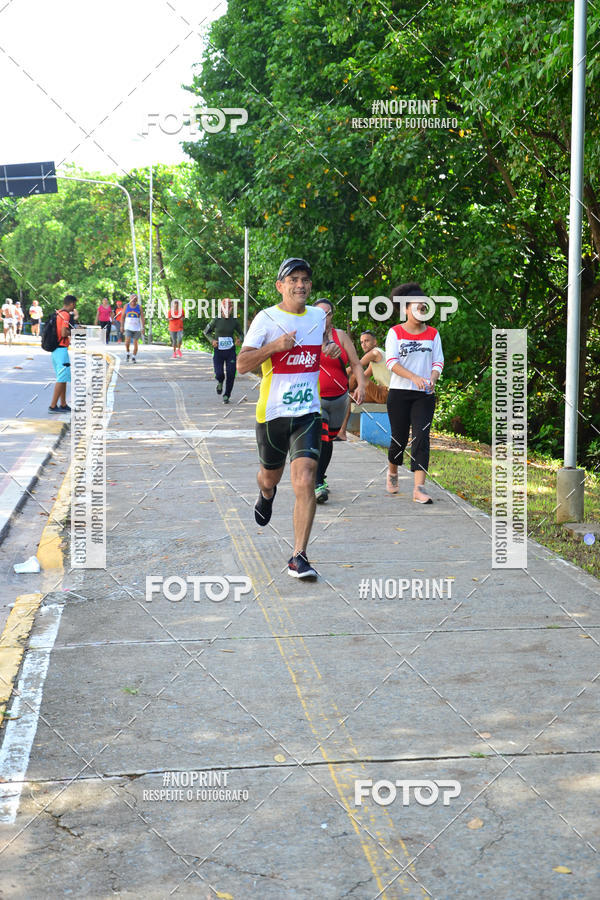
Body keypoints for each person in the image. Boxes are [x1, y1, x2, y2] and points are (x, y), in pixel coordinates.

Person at [237, 257, 339, 579]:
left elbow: (324, 342)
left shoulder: (317, 316)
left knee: (306, 478)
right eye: (293, 280)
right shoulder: (266, 319)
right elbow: (242, 364)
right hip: (273, 414)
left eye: (305, 279)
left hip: (308, 412)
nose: (300, 285)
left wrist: (330, 349)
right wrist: (275, 346)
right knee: (270, 478)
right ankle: (266, 494)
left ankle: (299, 556)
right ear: (280, 286)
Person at [385, 283, 444, 503]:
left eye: (424, 306)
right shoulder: (395, 332)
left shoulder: (433, 334)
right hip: (399, 393)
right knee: (398, 439)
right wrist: (414, 378)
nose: (421, 310)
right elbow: (391, 362)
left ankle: (419, 488)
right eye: (417, 306)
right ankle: (393, 470)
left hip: (424, 395)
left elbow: (438, 361)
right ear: (406, 309)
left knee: (421, 437)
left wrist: (432, 379)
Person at [314, 299, 365, 503]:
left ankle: (320, 475)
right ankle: (317, 482)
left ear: (331, 316)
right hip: (316, 398)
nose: (323, 318)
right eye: (319, 313)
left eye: (327, 314)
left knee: (329, 439)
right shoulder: (307, 335)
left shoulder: (341, 336)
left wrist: (361, 386)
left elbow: (356, 363)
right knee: (321, 436)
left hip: (339, 398)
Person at [204, 299, 243, 403]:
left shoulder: (234, 321)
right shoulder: (216, 320)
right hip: (218, 351)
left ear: (232, 308)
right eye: (225, 307)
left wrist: (240, 339)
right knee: (219, 374)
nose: (228, 309)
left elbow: (241, 333)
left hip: (230, 352)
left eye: (230, 307)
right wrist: (212, 340)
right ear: (221, 308)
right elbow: (206, 332)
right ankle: (220, 382)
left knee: (231, 374)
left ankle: (227, 395)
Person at [49, 294, 79, 412]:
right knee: (61, 378)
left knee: (63, 377)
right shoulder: (65, 315)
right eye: (74, 304)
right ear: (71, 303)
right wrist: (75, 332)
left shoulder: (58, 313)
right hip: (61, 349)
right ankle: (52, 406)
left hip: (55, 349)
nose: (74, 307)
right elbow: (63, 333)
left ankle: (63, 404)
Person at [123, 294, 145, 362]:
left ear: (137, 300)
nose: (133, 300)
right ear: (130, 299)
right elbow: (122, 316)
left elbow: (142, 318)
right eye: (132, 299)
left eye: (135, 299)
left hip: (137, 328)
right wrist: (121, 326)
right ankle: (128, 353)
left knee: (135, 342)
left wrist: (143, 328)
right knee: (127, 342)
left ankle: (134, 357)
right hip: (128, 327)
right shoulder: (126, 306)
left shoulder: (139, 307)